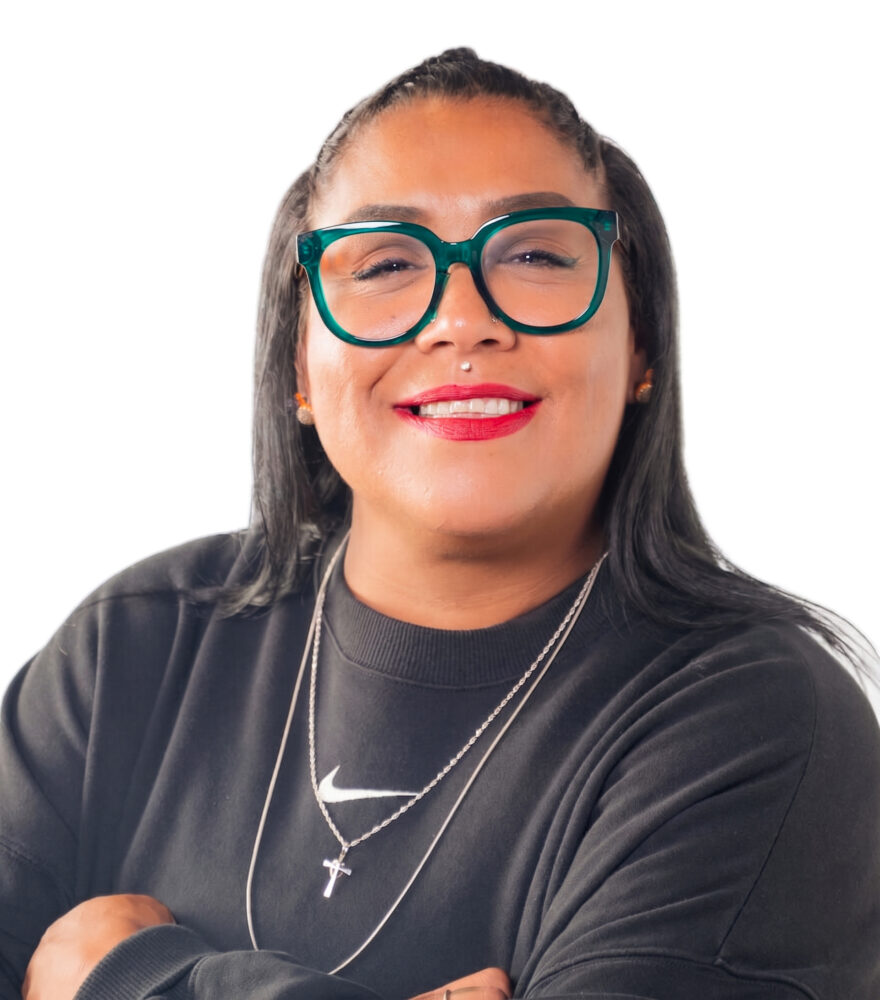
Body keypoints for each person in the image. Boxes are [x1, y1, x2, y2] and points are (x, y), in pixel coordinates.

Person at [3, 47, 878, 1000]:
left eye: (537, 254)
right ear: (298, 367)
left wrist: (133, 980)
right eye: (384, 264)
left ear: (643, 347)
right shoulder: (134, 648)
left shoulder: (758, 725)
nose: (461, 319)